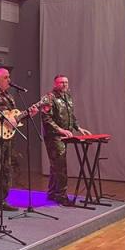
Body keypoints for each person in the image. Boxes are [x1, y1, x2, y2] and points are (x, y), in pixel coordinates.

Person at [0, 68, 36, 217]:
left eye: (9, 77)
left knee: (6, 171)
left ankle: (1, 201)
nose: (9, 80)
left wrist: (27, 114)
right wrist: (4, 117)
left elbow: (14, 118)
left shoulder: (9, 96)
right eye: (6, 77)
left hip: (7, 137)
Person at [41, 74, 91, 204]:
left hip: (65, 136)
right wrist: (60, 130)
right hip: (54, 136)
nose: (64, 84)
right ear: (55, 84)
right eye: (61, 82)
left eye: (66, 82)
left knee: (56, 166)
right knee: (60, 166)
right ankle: (61, 196)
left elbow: (70, 115)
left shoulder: (67, 97)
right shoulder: (49, 98)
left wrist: (78, 128)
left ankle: (52, 193)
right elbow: (46, 119)